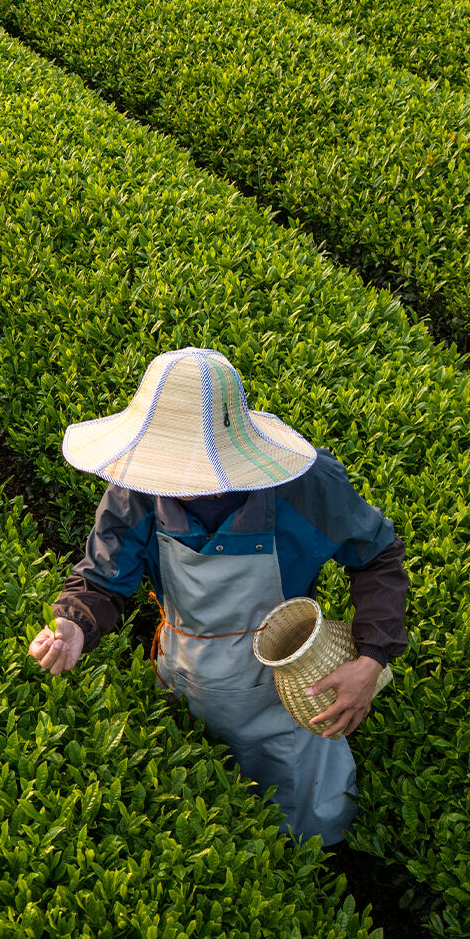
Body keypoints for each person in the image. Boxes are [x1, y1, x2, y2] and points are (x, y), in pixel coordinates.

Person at [27, 348, 408, 846]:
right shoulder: (137, 488)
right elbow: (102, 577)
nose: (181, 486)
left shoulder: (305, 487)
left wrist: (371, 659)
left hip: (291, 694)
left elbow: (377, 555)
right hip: (187, 677)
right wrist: (74, 625)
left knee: (310, 832)